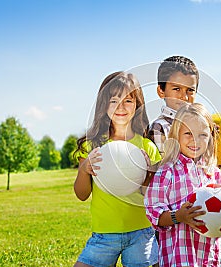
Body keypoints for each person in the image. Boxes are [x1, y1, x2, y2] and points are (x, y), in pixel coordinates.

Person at [73, 71, 161, 267]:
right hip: (104, 234)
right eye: (114, 101)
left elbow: (153, 197)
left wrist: (147, 176)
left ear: (138, 105)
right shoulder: (93, 145)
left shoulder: (147, 147)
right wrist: (84, 170)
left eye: (128, 101)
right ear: (104, 106)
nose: (121, 107)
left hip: (141, 233)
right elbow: (81, 194)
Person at [145, 103, 221, 267]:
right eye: (188, 133)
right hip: (181, 255)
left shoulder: (214, 173)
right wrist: (178, 216)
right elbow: (154, 213)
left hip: (212, 256)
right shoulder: (167, 172)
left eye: (202, 134)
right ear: (176, 136)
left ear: (210, 136)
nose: (195, 140)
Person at [148, 55, 199, 156]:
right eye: (177, 89)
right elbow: (163, 166)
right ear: (161, 91)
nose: (184, 97)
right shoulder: (159, 127)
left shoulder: (200, 126)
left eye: (190, 90)